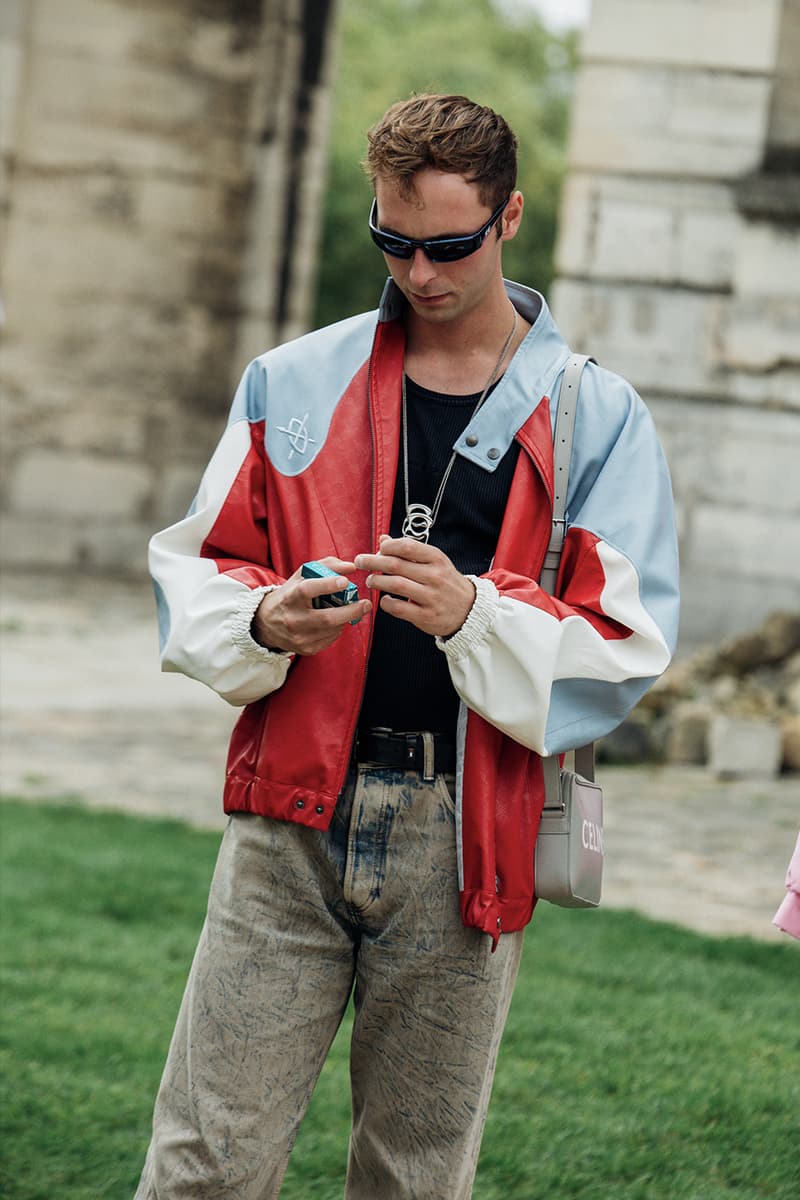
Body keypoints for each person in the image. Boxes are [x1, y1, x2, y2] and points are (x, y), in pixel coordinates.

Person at [136, 93, 679, 1199]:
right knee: (201, 1164)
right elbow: (195, 565)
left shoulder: (596, 416)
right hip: (286, 817)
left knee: (411, 1181)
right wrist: (259, 618)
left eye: (446, 245)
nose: (417, 272)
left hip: (460, 835)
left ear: (508, 217)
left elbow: (623, 650)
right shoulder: (291, 379)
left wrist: (471, 613)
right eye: (393, 242)